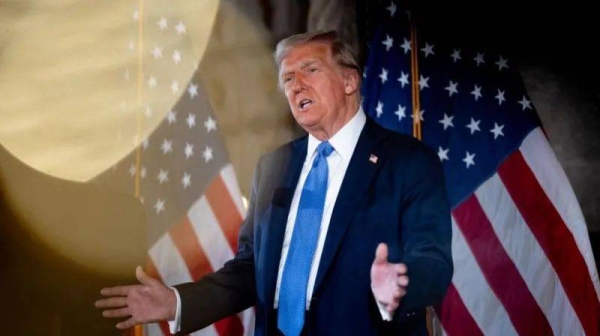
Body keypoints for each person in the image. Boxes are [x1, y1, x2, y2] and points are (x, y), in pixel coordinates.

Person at [96, 30, 453, 336]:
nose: (297, 85)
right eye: (287, 79)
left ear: (349, 81)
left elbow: (433, 263)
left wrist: (399, 285)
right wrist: (177, 301)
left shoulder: (408, 162)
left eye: (310, 69)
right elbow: (251, 270)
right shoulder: (274, 166)